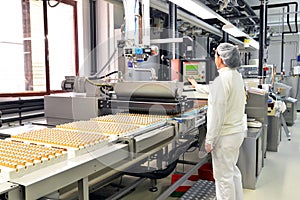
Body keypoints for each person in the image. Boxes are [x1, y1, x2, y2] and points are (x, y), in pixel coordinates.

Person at [188, 43, 246, 200]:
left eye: (215, 56)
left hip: (225, 136)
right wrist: (197, 86)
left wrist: (209, 140)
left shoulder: (222, 80)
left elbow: (216, 114)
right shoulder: (236, 76)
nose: (214, 59)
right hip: (237, 132)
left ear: (221, 59)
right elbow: (214, 90)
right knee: (232, 171)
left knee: (223, 178)